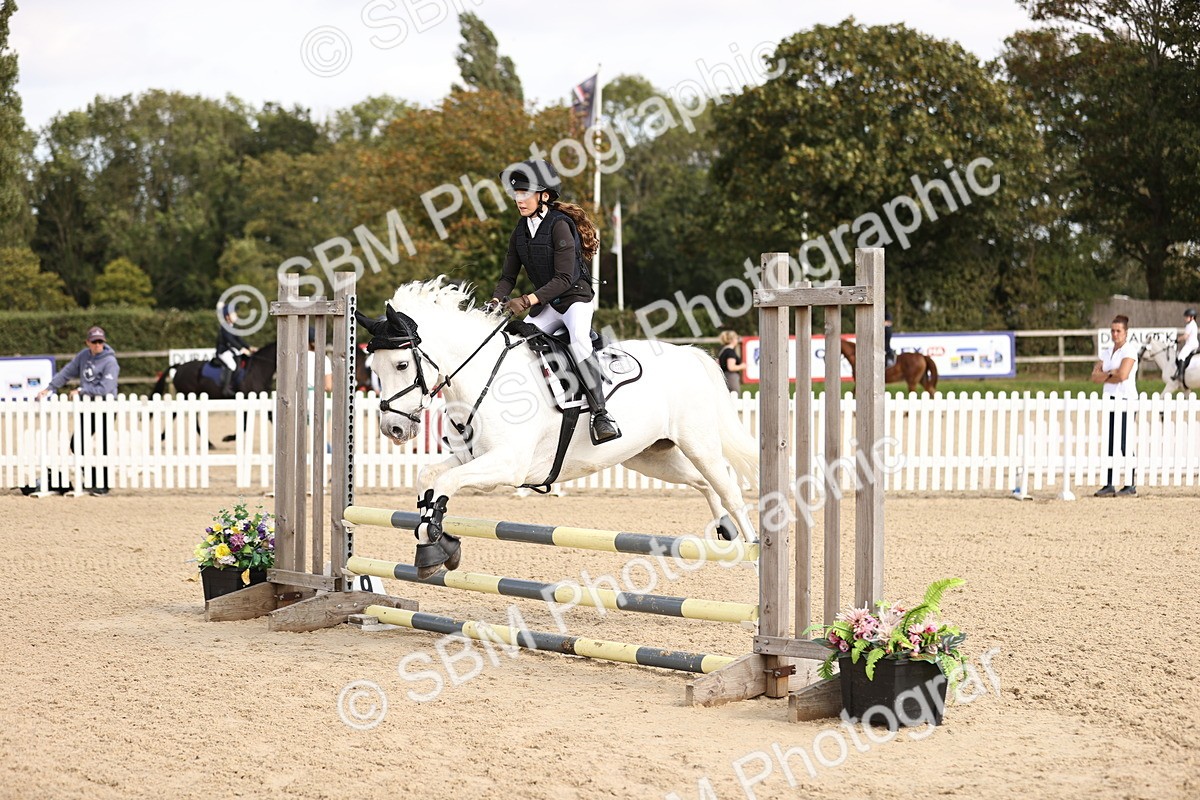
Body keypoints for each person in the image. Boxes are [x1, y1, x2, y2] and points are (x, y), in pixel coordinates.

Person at [486, 159, 620, 444]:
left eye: (525, 193)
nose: (519, 200)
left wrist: (527, 300)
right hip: (548, 304)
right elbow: (507, 276)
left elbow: (564, 278)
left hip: (575, 300)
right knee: (517, 340)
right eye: (516, 194)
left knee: (579, 341)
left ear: (543, 195)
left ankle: (601, 414)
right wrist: (496, 301)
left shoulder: (560, 226)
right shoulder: (519, 232)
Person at [35, 325, 120, 495]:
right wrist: (49, 388)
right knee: (77, 444)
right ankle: (93, 479)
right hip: (87, 408)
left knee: (102, 445)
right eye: (94, 341)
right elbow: (66, 372)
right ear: (87, 342)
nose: (97, 345)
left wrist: (82, 391)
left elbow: (105, 388)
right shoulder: (83, 356)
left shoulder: (110, 362)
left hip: (105, 408)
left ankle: (102, 485)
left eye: (100, 342)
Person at [1091, 315, 1138, 497]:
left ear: (1126, 332)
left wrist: (1108, 373)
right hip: (1110, 400)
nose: (1115, 334)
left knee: (1124, 442)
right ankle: (1108, 483)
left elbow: (1123, 375)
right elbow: (1095, 376)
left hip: (1125, 401)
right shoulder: (1106, 351)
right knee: (1110, 442)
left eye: (1118, 331)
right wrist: (1112, 373)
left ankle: (1130, 484)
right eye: (1113, 330)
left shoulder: (1129, 351)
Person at [216, 305, 253, 396]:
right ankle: (226, 388)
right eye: (233, 313)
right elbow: (230, 340)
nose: (236, 315)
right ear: (227, 317)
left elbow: (238, 339)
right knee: (232, 365)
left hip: (230, 350)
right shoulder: (225, 327)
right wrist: (241, 349)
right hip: (223, 352)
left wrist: (249, 347)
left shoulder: (232, 326)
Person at [1175, 307, 1197, 382]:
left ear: (1192, 317)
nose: (1185, 318)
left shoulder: (1190, 325)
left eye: (1187, 316)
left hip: (1190, 344)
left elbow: (1185, 336)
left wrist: (1178, 340)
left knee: (1181, 356)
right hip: (1194, 344)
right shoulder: (1193, 324)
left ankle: (1180, 375)